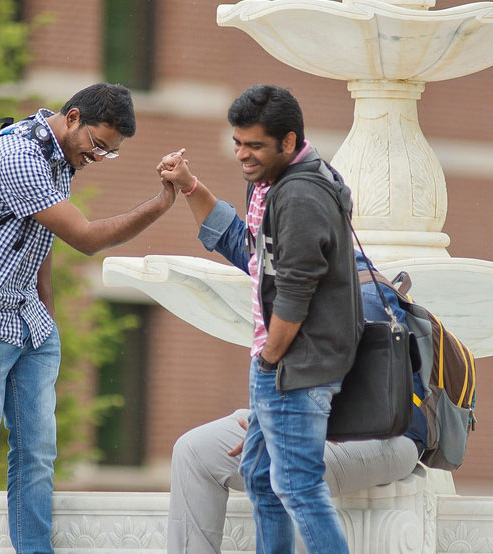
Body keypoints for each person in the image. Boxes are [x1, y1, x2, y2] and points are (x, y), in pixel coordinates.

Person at [0, 82, 181, 554]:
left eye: (110, 153)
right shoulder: (19, 156)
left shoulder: (59, 155)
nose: (98, 157)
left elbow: (38, 236)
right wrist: (160, 204)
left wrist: (45, 318)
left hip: (27, 322)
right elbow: (85, 238)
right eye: (98, 145)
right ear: (72, 118)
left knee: (38, 453)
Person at [155, 83, 360, 554]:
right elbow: (249, 252)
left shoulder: (301, 196)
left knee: (297, 486)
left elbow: (294, 294)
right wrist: (191, 186)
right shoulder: (270, 184)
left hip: (293, 366)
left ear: (288, 142)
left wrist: (268, 363)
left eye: (255, 145)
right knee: (261, 478)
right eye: (237, 143)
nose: (243, 155)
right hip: (282, 363)